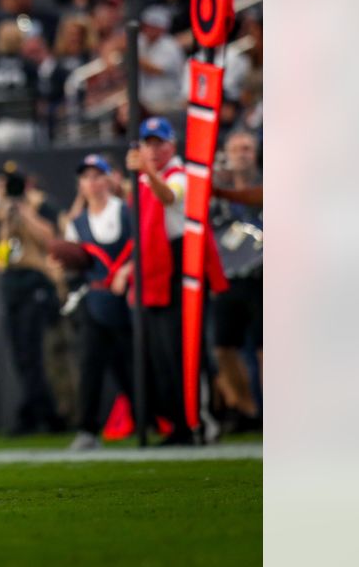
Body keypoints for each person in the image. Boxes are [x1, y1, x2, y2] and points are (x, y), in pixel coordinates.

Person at [118, 117, 228, 444]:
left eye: (158, 143)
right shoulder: (144, 180)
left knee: (186, 348)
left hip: (182, 265)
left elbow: (168, 196)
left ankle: (199, 420)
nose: (152, 150)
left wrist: (145, 172)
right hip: (156, 267)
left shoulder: (180, 175)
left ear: (172, 145)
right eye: (147, 144)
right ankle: (178, 422)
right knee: (162, 353)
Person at [0, 162, 65, 436]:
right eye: (3, 182)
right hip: (9, 284)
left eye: (12, 184)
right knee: (20, 354)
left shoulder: (39, 205)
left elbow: (50, 238)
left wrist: (24, 211)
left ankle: (40, 413)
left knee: (32, 352)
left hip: (34, 281)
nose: (8, 189)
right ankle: (41, 412)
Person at [59, 155, 135, 450]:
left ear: (109, 179)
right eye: (86, 177)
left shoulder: (126, 211)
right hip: (96, 298)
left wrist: (127, 270)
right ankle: (87, 428)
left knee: (130, 363)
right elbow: (73, 258)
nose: (92, 183)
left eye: (97, 176)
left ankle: (150, 418)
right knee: (90, 363)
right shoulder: (77, 222)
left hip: (126, 298)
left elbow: (142, 243)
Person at [210, 130, 263, 432]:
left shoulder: (266, 181)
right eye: (237, 148)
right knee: (223, 347)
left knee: (265, 346)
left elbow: (260, 197)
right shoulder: (217, 190)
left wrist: (220, 192)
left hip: (263, 276)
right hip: (227, 277)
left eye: (247, 148)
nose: (242, 153)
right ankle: (247, 410)